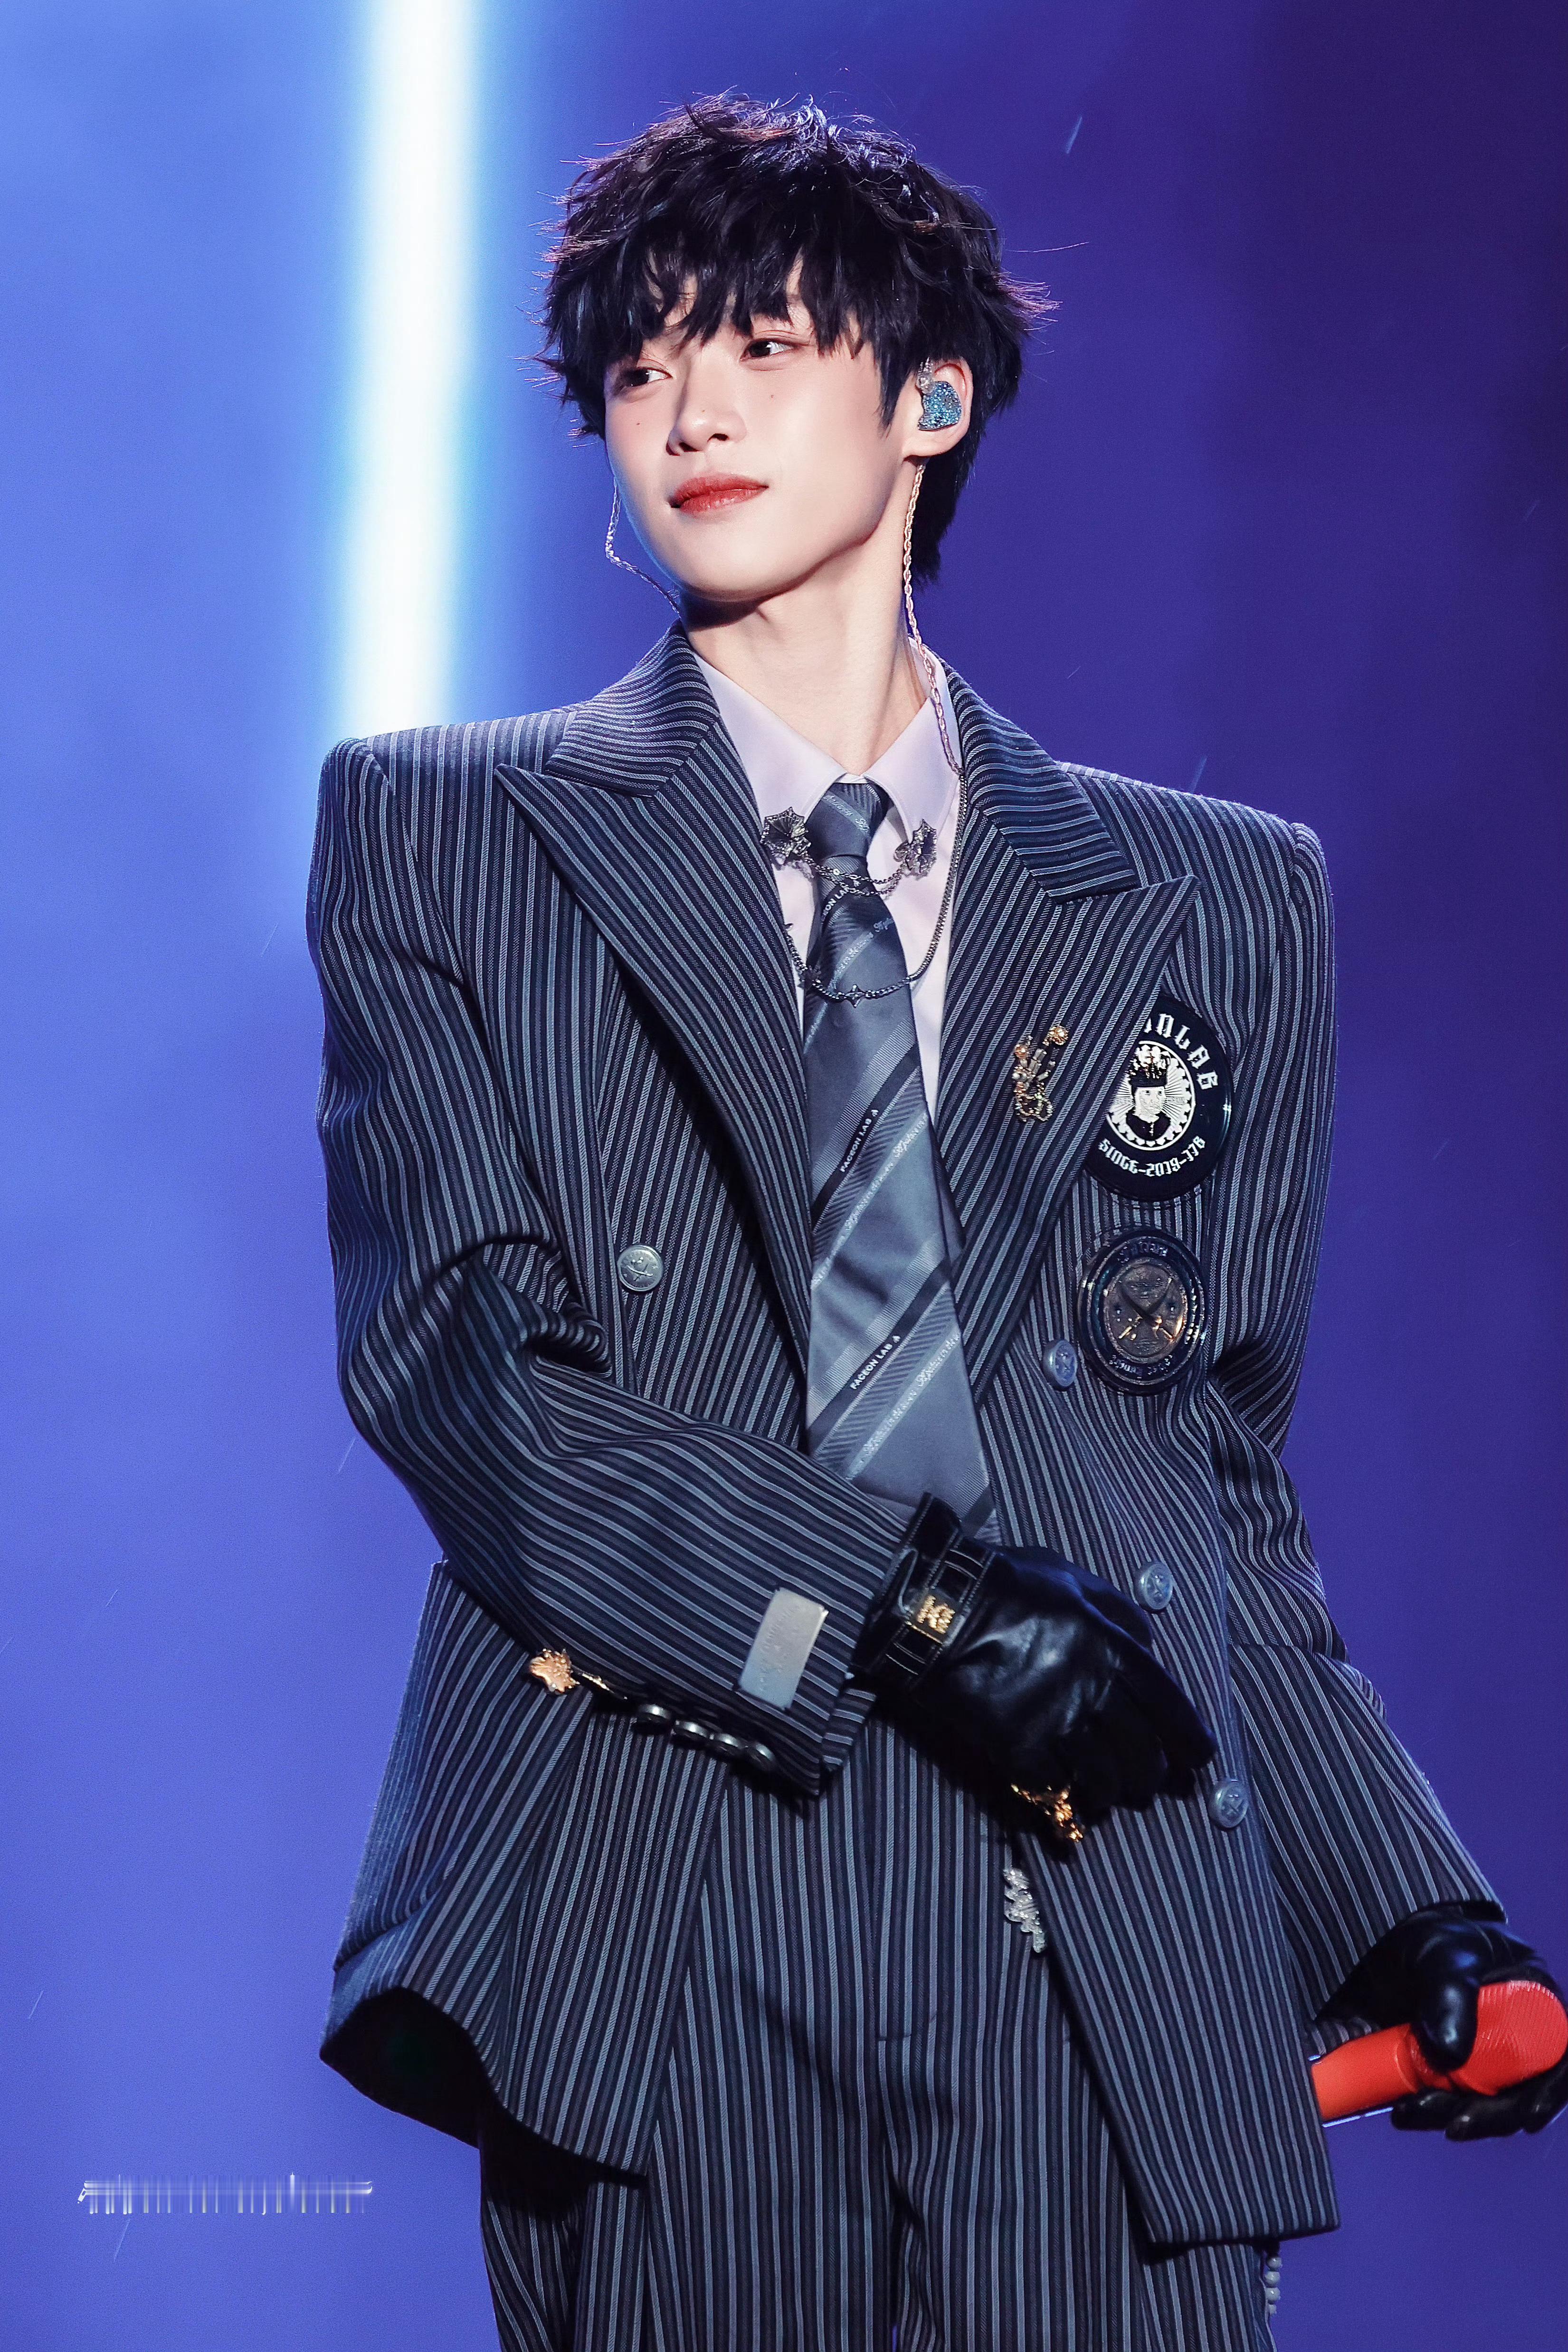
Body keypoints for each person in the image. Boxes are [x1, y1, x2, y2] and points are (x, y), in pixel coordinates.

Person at [306, 95, 1564, 2352]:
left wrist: (1396, 1903)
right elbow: (470, 1383)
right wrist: (908, 1599)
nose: (687, 410)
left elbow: (1204, 1477)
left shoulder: (1212, 894)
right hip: (670, 1888)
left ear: (930, 398)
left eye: (760, 343)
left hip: (1097, 1915)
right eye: (636, 365)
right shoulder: (450, 835)